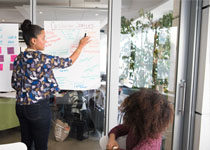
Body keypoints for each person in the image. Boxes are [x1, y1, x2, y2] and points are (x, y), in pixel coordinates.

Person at [11, 19, 91, 150]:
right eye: (43, 38)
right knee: (41, 145)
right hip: (37, 108)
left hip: (20, 107)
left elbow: (14, 83)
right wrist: (80, 46)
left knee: (25, 143)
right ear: (34, 41)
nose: (46, 41)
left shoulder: (18, 58)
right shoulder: (42, 59)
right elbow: (68, 62)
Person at [106, 88, 174, 150]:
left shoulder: (149, 145)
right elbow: (118, 129)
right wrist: (112, 140)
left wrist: (113, 148)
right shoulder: (139, 126)